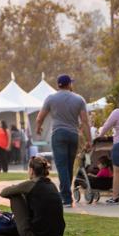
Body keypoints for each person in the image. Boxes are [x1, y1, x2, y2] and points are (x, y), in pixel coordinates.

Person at [35, 74, 91, 207]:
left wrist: (38, 128)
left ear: (58, 85)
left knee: (62, 167)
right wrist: (89, 140)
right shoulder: (79, 99)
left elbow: (39, 117)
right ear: (69, 84)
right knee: (68, 166)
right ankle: (65, 194)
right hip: (73, 135)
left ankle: (66, 198)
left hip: (58, 134)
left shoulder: (51, 98)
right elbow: (85, 122)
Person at [0, 156, 65, 236]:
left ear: (31, 170)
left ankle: (9, 234)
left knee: (15, 196)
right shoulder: (51, 185)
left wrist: (16, 189)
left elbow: (3, 192)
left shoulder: (31, 184)